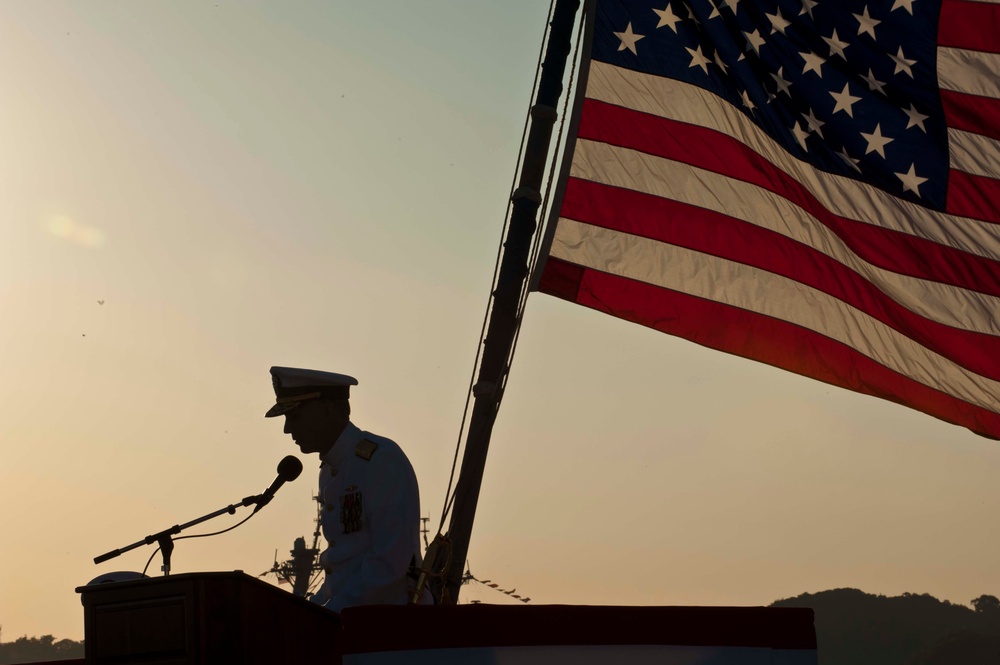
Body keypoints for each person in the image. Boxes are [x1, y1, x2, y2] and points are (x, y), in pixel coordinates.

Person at [264, 366, 432, 611]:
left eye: (295, 416)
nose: (287, 429)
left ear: (328, 411)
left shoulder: (380, 460)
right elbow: (342, 574)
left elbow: (391, 563)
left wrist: (329, 614)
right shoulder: (332, 469)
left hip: (391, 629)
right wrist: (310, 609)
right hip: (352, 624)